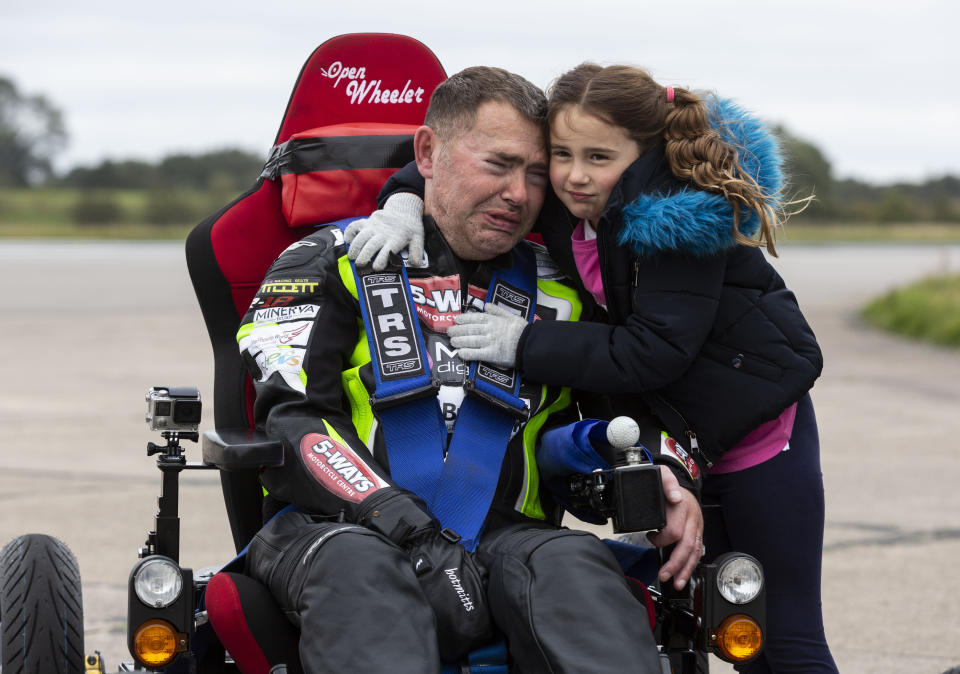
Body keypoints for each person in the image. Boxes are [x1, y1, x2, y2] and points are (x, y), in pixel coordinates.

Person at [349, 63, 837, 673]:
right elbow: (442, 160)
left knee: (775, 631)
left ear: (644, 157)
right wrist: (399, 204)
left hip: (753, 434)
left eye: (600, 158)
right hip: (673, 425)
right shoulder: (571, 191)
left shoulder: (676, 223)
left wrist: (524, 343)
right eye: (560, 154)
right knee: (694, 612)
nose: (573, 176)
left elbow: (648, 352)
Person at [237, 66, 692, 674]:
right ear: (427, 152)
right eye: (499, 164)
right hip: (338, 532)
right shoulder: (326, 258)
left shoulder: (567, 285)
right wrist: (405, 529)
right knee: (363, 572)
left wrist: (665, 469)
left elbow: (629, 406)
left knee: (573, 565)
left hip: (511, 538)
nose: (519, 194)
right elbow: (291, 424)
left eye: (536, 174)